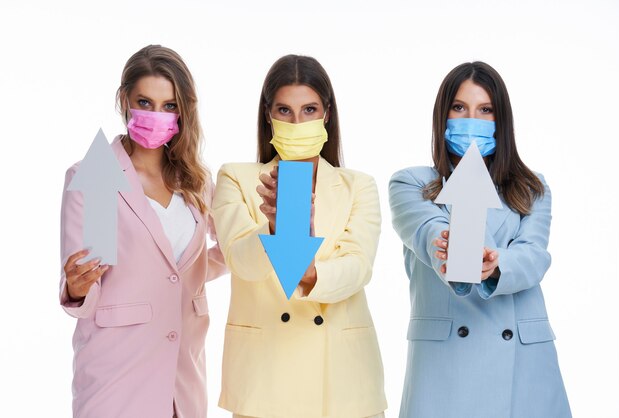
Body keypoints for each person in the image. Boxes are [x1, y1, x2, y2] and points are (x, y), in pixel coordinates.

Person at [388, 61, 571, 418]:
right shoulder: (412, 182)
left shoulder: (532, 187)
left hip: (523, 365)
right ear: (443, 117)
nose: (471, 119)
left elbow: (534, 255)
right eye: (459, 108)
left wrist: (496, 264)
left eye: (485, 110)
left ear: (501, 121)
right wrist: (450, 245)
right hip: (445, 367)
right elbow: (426, 231)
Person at [212, 54, 387, 418]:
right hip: (265, 379)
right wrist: (273, 228)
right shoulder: (236, 178)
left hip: (343, 382)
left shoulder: (358, 186)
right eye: (285, 111)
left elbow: (358, 267)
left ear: (326, 114)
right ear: (268, 115)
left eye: (309, 109)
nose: (297, 121)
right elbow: (239, 261)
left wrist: (311, 274)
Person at [59, 45, 226, 418]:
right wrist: (76, 286)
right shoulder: (99, 174)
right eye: (145, 102)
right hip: (118, 376)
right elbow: (91, 280)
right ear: (124, 100)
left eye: (169, 106)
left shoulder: (195, 181)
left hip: (184, 379)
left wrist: (193, 276)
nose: (157, 115)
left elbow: (219, 254)